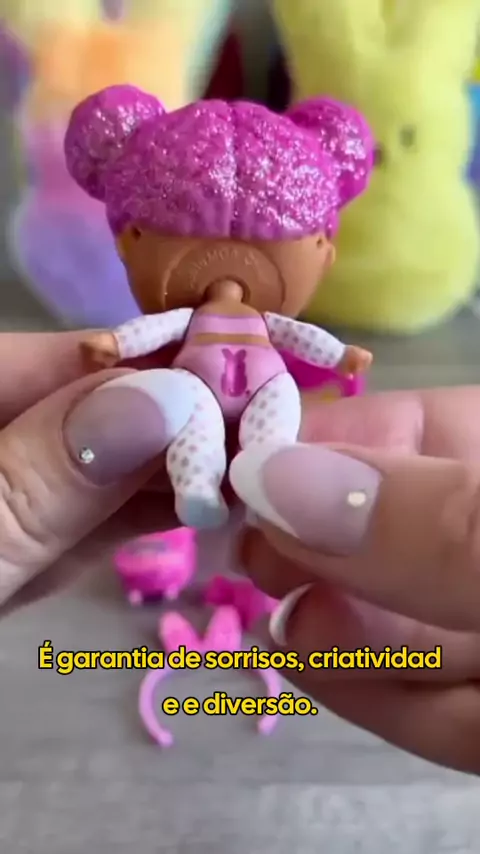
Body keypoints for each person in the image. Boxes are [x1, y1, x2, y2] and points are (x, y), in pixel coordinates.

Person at [2, 329, 480, 775]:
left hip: (264, 391)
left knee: (264, 439)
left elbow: (297, 333)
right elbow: (160, 327)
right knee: (195, 429)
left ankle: (266, 476)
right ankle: (203, 487)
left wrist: (339, 356)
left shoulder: (263, 324)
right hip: (197, 391)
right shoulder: (196, 321)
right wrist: (119, 342)